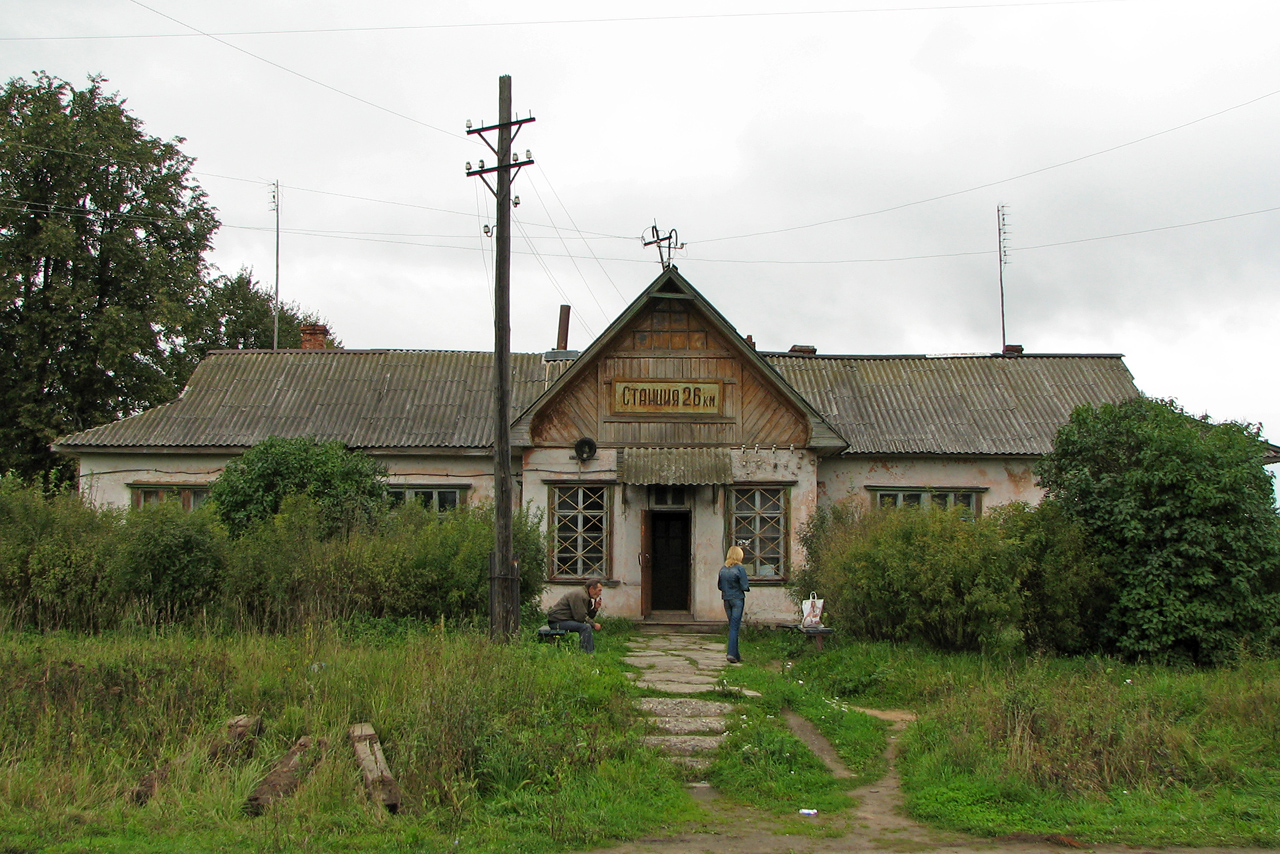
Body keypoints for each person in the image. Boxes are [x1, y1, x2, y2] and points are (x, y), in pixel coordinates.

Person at [546, 579, 604, 653]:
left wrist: (595, 609)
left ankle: (588, 652)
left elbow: (586, 616)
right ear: (591, 589)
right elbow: (580, 617)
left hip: (563, 620)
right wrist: (593, 624)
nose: (600, 593)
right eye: (599, 590)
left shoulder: (586, 596)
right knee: (585, 627)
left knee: (586, 626)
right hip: (557, 621)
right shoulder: (580, 595)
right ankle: (587, 653)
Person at [718, 546, 750, 663]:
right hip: (737, 599)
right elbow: (744, 586)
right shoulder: (740, 569)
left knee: (732, 625)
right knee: (735, 627)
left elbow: (720, 586)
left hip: (726, 599)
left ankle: (736, 655)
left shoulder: (723, 569)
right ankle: (731, 653)